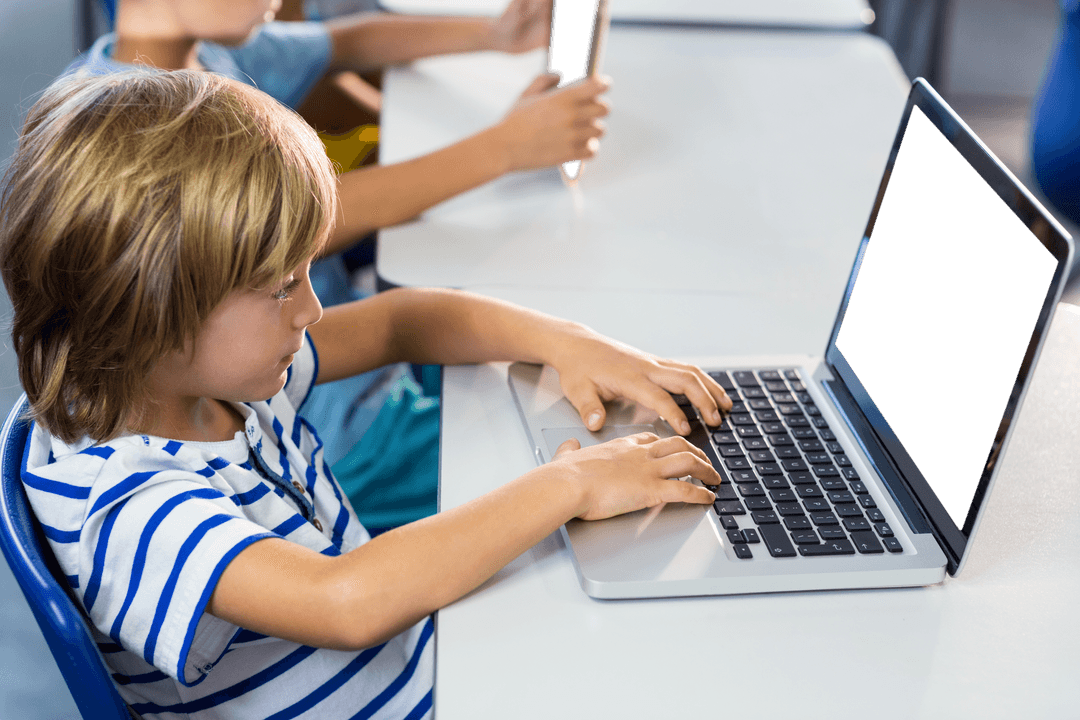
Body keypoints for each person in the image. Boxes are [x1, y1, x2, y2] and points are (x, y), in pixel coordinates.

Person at [0, 70, 728, 718]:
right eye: (284, 287)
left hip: (425, 665)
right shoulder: (128, 505)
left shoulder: (205, 382)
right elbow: (344, 601)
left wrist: (567, 342)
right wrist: (569, 483)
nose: (312, 310)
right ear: (151, 312)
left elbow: (403, 321)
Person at [68, 0, 610, 528]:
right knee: (581, 453)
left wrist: (498, 34)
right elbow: (322, 219)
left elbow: (347, 41)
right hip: (337, 432)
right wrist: (504, 147)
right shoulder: (123, 132)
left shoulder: (206, 53)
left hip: (351, 368)